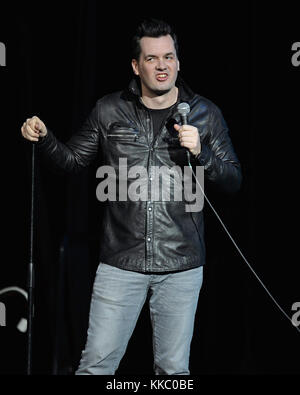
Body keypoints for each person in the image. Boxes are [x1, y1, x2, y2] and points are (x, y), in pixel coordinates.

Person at [21, 18, 242, 375]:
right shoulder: (109, 110)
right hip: (120, 263)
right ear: (136, 66)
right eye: (152, 59)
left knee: (173, 371)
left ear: (178, 62)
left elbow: (233, 180)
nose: (162, 66)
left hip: (181, 265)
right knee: (95, 366)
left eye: (169, 57)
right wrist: (45, 137)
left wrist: (204, 153)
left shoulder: (204, 114)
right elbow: (72, 160)